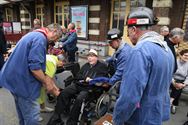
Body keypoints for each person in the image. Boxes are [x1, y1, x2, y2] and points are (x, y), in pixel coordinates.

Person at [113, 7, 174, 125]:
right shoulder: (166, 49)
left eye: (128, 32)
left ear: (134, 29)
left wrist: (118, 119)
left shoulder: (139, 51)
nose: (128, 36)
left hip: (139, 118)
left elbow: (129, 97)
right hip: (156, 114)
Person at [0, 23, 62, 125]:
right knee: (32, 117)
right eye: (57, 38)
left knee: (23, 114)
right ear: (54, 31)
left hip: (12, 80)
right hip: (23, 84)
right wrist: (47, 82)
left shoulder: (33, 34)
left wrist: (49, 81)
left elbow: (34, 64)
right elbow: (35, 69)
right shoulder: (40, 39)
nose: (55, 41)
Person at [47, 49, 109, 125]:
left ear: (97, 57)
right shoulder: (86, 66)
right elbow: (78, 75)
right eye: (88, 56)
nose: (89, 58)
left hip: (90, 89)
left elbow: (104, 81)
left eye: (92, 56)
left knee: (79, 99)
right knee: (64, 92)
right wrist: (85, 78)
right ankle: (56, 118)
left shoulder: (102, 67)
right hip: (79, 85)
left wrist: (93, 81)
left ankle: (72, 122)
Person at [37, 54, 64, 122]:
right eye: (63, 64)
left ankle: (42, 108)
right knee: (33, 97)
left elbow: (50, 78)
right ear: (61, 61)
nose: (62, 66)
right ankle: (34, 116)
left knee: (42, 92)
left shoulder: (52, 57)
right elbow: (48, 83)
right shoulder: (52, 64)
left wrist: (55, 87)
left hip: (38, 74)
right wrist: (58, 94)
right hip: (32, 77)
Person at [170, 49, 188, 114]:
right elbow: (170, 73)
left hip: (182, 81)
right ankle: (173, 104)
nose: (187, 57)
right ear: (180, 55)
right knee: (177, 89)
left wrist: (184, 84)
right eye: (185, 55)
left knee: (178, 87)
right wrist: (173, 82)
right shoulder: (175, 62)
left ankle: (170, 102)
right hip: (172, 79)